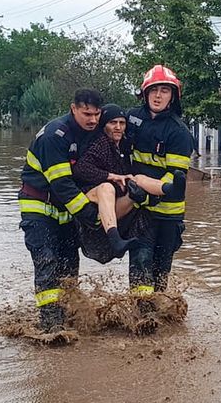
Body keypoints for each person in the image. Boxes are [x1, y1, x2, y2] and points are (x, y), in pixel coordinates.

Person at [19, 88, 103, 333]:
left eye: (97, 114)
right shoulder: (54, 136)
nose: (93, 120)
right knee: (47, 261)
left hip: (65, 211)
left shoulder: (92, 134)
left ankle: (69, 314)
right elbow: (62, 185)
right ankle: (51, 325)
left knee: (69, 264)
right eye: (87, 113)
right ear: (73, 108)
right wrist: (90, 216)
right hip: (39, 207)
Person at [72, 104, 186, 260]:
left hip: (117, 201)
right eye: (113, 123)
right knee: (107, 188)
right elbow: (80, 169)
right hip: (94, 199)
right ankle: (115, 238)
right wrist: (109, 175)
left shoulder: (125, 146)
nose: (118, 127)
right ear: (104, 125)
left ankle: (169, 189)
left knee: (138, 178)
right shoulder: (99, 144)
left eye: (122, 123)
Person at [126, 65, 194, 297]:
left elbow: (175, 178)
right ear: (144, 93)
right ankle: (141, 316)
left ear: (173, 96)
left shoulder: (179, 132)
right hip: (139, 209)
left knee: (160, 272)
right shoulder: (131, 119)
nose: (158, 95)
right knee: (140, 262)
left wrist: (148, 191)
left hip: (168, 214)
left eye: (164, 90)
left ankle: (159, 310)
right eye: (154, 90)